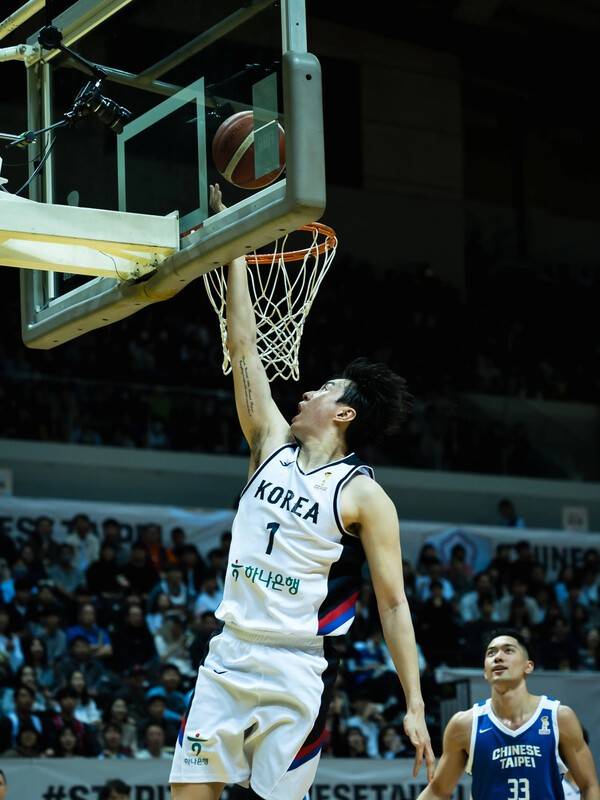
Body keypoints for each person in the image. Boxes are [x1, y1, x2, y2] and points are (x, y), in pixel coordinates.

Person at [169, 184, 434, 800]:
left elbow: (393, 607)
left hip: (298, 667)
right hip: (229, 655)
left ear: (344, 415)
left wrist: (414, 702)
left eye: (322, 391)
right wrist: (234, 247)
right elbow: (243, 345)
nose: (307, 392)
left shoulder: (365, 496)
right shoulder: (267, 441)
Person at [415, 629, 600, 800]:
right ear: (485, 673)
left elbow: (589, 785)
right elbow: (438, 791)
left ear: (528, 666)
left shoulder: (559, 717)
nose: (498, 657)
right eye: (491, 653)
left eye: (508, 650)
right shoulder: (464, 725)